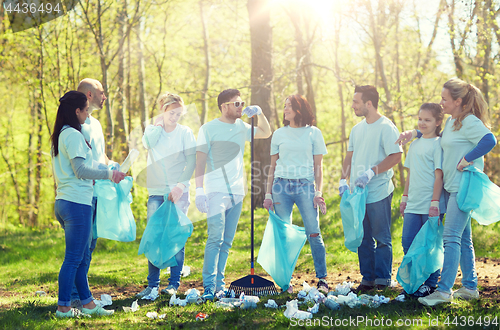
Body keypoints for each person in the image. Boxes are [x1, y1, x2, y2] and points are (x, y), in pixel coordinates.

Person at [397, 78, 497, 306]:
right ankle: (470, 286)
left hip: (463, 187)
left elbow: (489, 139)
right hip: (453, 188)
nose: (441, 102)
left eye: (445, 99)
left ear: (458, 101)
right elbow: (437, 137)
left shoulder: (469, 121)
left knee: (450, 238)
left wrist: (467, 158)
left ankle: (443, 291)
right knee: (463, 238)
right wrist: (414, 132)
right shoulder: (453, 121)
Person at [51, 91, 125, 317]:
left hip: (66, 201)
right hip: (76, 203)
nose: (87, 115)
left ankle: (88, 304)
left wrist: (109, 170)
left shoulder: (63, 133)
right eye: (85, 110)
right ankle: (63, 307)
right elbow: (81, 170)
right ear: (77, 111)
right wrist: (109, 175)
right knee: (74, 258)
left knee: (80, 258)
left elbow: (86, 165)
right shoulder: (72, 135)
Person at [195, 89, 271, 301]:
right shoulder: (208, 129)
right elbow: (200, 160)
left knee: (227, 241)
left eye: (242, 103)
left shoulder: (241, 127)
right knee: (215, 238)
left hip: (238, 192)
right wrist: (199, 190)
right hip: (214, 191)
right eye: (236, 104)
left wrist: (260, 113)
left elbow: (266, 132)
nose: (241, 107)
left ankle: (220, 285)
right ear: (224, 106)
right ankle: (209, 286)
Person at [339, 85, 402, 293]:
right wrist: (342, 179)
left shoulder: (386, 127)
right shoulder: (357, 129)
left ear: (368, 103)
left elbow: (396, 155)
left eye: (356, 101)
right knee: (363, 237)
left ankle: (383, 280)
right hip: (358, 194)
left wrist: (372, 172)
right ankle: (367, 280)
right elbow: (349, 155)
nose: (352, 105)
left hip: (379, 191)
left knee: (381, 237)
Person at [263, 95, 328, 293]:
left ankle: (322, 279)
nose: (285, 110)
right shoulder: (279, 134)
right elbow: (272, 166)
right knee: (283, 234)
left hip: (305, 187)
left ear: (300, 109)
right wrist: (267, 194)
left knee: (313, 231)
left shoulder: (314, 133)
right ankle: (285, 282)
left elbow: (319, 167)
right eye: (284, 106)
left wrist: (318, 192)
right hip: (280, 187)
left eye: (289, 106)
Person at [136, 92, 196, 298]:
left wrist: (180, 185)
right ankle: (152, 284)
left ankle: (173, 284)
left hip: (178, 193)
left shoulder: (185, 132)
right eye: (171, 112)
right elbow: (148, 143)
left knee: (175, 237)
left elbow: (192, 161)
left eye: (179, 113)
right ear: (163, 110)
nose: (175, 116)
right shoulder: (152, 131)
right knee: (154, 237)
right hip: (156, 193)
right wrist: (159, 125)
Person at [68, 78, 117, 309]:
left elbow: (101, 158)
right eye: (101, 92)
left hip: (98, 192)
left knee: (90, 246)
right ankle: (76, 298)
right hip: (81, 194)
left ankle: (80, 295)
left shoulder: (95, 123)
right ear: (89, 94)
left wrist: (116, 167)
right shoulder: (74, 124)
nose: (104, 96)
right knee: (80, 248)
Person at [399, 103, 446, 298]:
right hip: (413, 203)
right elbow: (410, 174)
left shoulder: (439, 144)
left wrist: (435, 203)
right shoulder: (415, 144)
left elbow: (439, 176)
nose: (422, 123)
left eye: (427, 120)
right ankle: (414, 282)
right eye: (420, 119)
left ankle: (431, 284)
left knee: (430, 245)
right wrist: (404, 197)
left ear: (437, 122)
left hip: (431, 204)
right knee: (408, 242)